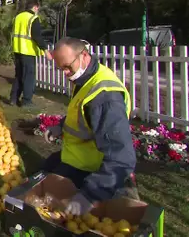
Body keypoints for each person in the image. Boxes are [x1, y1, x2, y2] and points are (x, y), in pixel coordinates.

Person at [43, 37, 138, 216]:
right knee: (44, 173)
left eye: (67, 67)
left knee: (53, 202)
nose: (64, 73)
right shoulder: (87, 76)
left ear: (84, 55)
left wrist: (90, 194)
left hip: (92, 168)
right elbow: (82, 112)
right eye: (60, 68)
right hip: (78, 156)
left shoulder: (105, 98)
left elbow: (121, 157)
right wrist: (61, 126)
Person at [9, 0, 52, 107]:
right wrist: (45, 51)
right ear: (35, 7)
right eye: (38, 8)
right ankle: (26, 101)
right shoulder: (33, 18)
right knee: (29, 77)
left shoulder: (18, 17)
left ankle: (13, 99)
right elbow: (37, 36)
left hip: (17, 50)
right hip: (28, 51)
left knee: (18, 75)